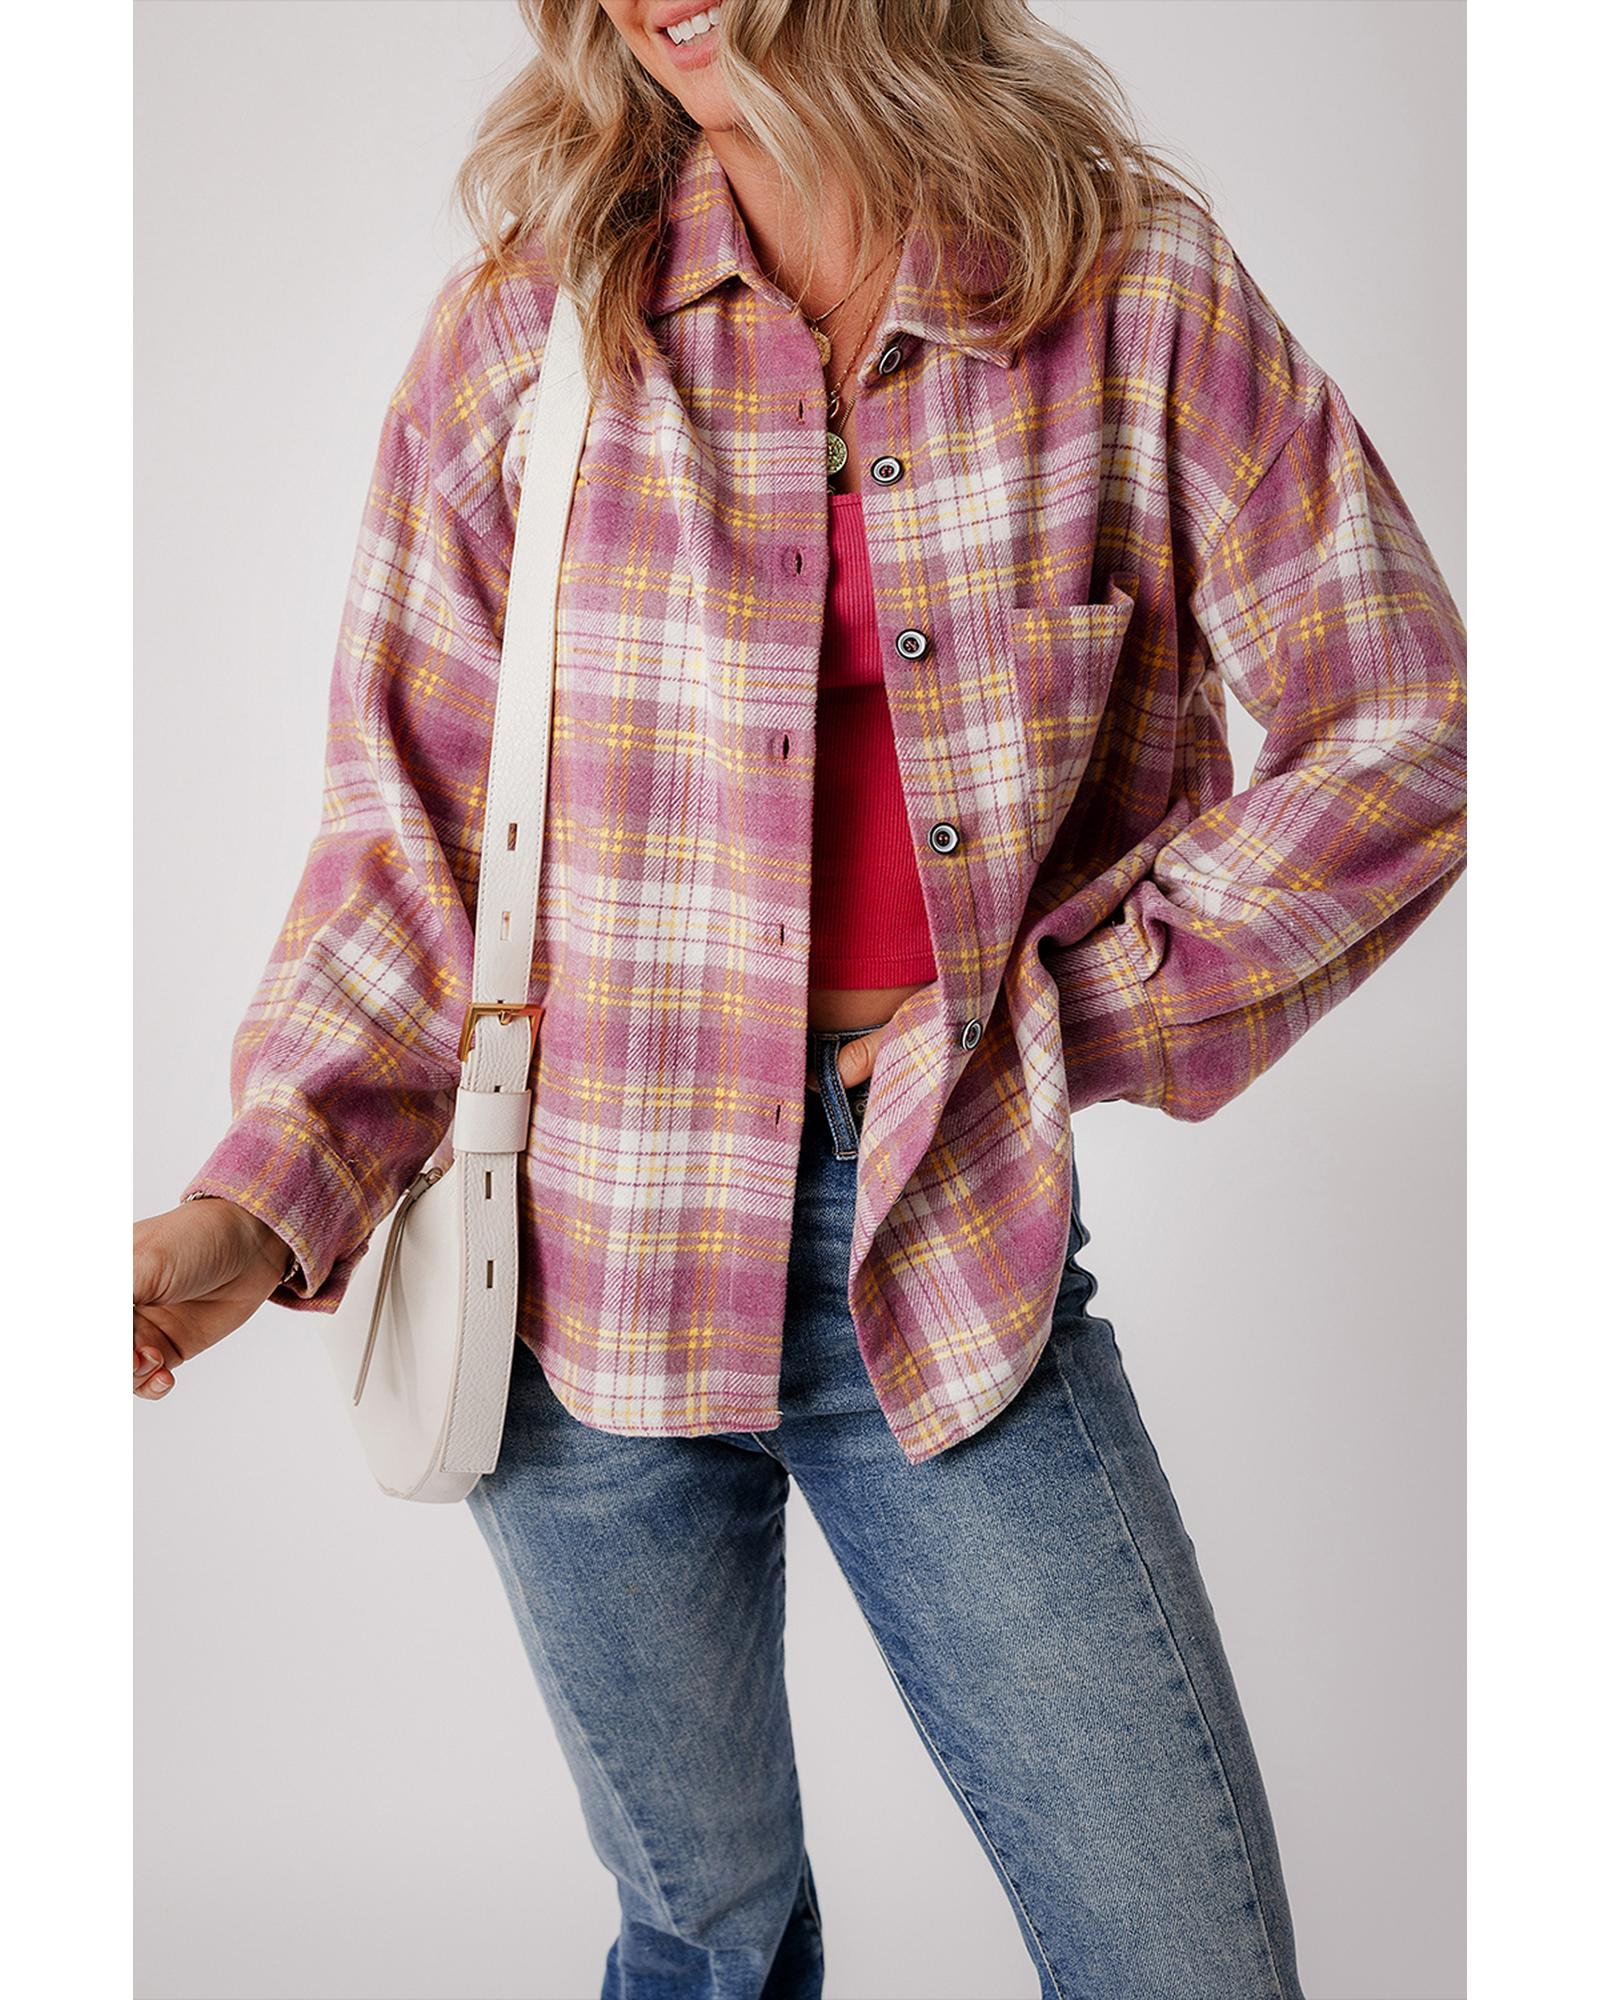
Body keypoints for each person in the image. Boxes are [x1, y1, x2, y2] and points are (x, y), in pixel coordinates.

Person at [132, 3, 1467, 1994]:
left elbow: (1403, 727)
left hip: (939, 1235)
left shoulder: (1125, 285)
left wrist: (1067, 1018)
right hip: (570, 1261)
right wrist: (256, 1205)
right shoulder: (529, 325)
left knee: (1180, 1960)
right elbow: (404, 846)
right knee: (706, 1948)